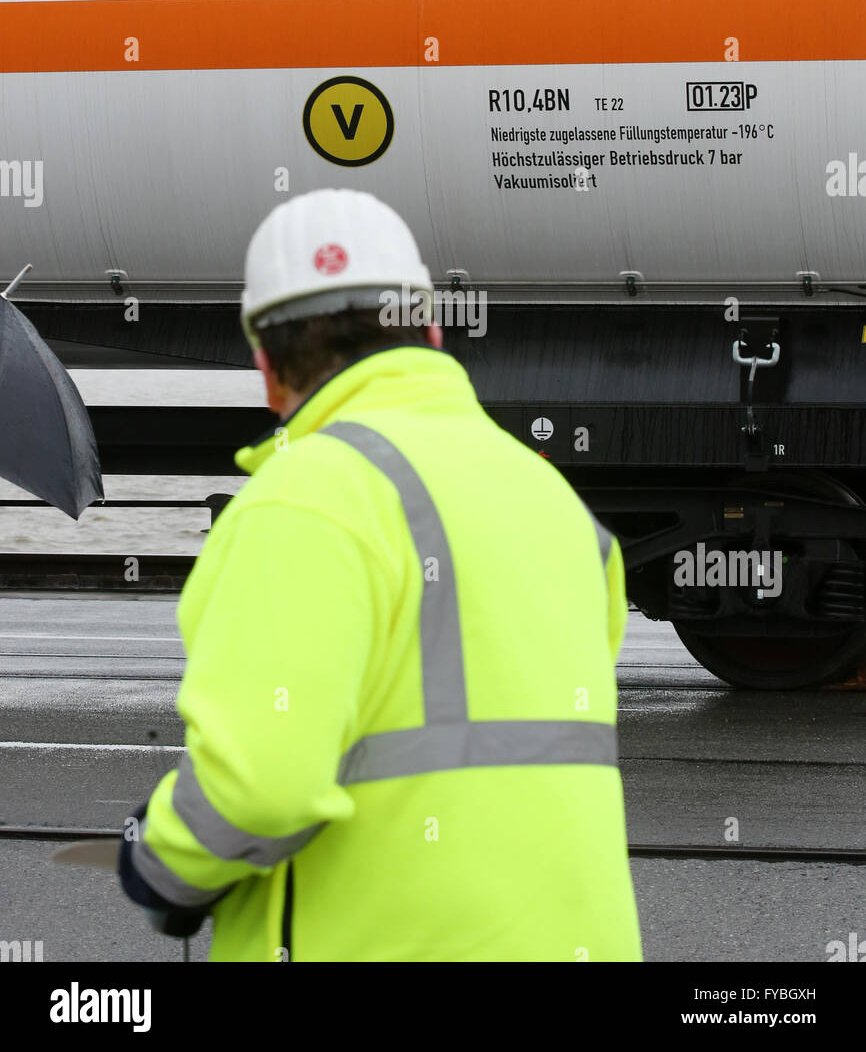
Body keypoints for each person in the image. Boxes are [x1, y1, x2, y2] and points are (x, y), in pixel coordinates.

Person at [119, 187, 642, 962]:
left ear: (267, 368)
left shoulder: (305, 497)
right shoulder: (557, 501)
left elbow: (262, 788)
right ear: (430, 330)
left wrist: (156, 863)